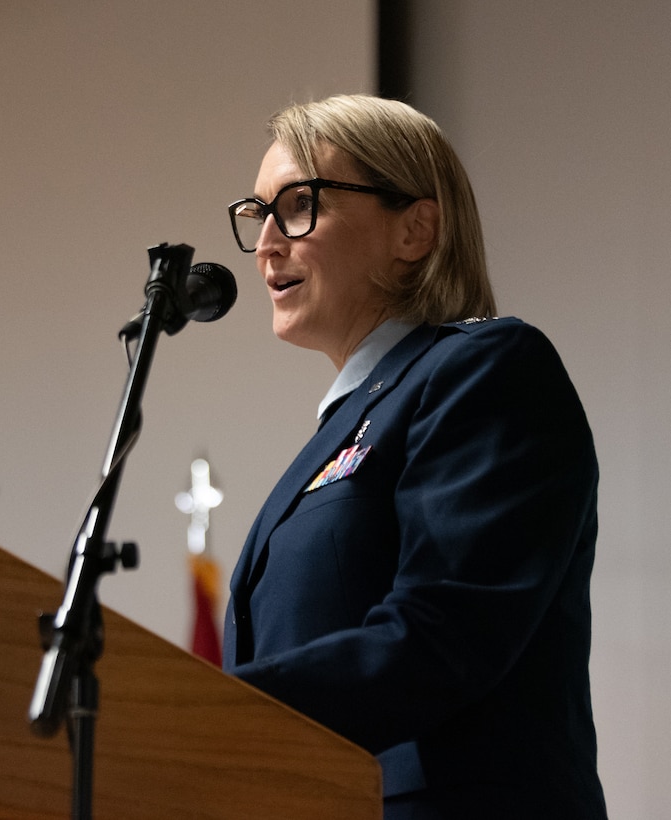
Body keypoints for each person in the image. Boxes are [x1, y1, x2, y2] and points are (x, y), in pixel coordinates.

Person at [223, 94, 606, 819]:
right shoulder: (341, 427)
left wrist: (211, 710)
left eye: (300, 205)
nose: (268, 242)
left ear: (414, 229)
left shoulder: (487, 370)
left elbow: (444, 630)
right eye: (257, 214)